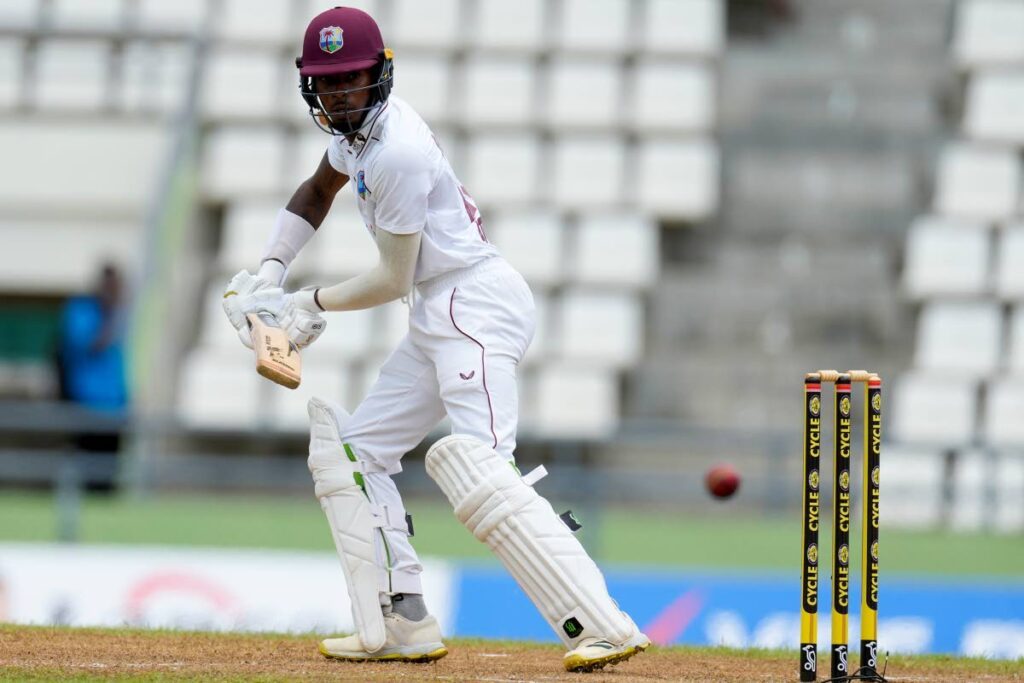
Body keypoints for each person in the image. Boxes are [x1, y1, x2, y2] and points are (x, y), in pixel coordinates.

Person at [221, 6, 649, 673]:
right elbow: (315, 190)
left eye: (351, 80)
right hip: (438, 312)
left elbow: (393, 279)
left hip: (474, 304)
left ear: (377, 76)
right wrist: (269, 273)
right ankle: (404, 620)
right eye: (326, 83)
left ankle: (603, 622)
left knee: (481, 469)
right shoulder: (355, 138)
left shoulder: (398, 151)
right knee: (356, 454)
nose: (338, 95)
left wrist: (306, 302)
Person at [57, 263, 128, 492]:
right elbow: (88, 346)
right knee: (85, 475)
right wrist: (109, 316)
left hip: (113, 407)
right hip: (86, 404)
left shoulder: (117, 314)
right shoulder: (82, 310)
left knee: (108, 477)